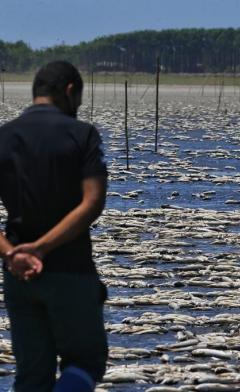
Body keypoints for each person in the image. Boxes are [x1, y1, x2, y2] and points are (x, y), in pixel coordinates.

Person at [0, 61, 108, 392]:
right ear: (69, 91)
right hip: (70, 269)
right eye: (78, 99)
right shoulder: (83, 134)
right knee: (85, 363)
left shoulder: (3, 137)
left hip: (19, 275)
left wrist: (13, 254)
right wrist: (42, 248)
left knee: (31, 378)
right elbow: (91, 203)